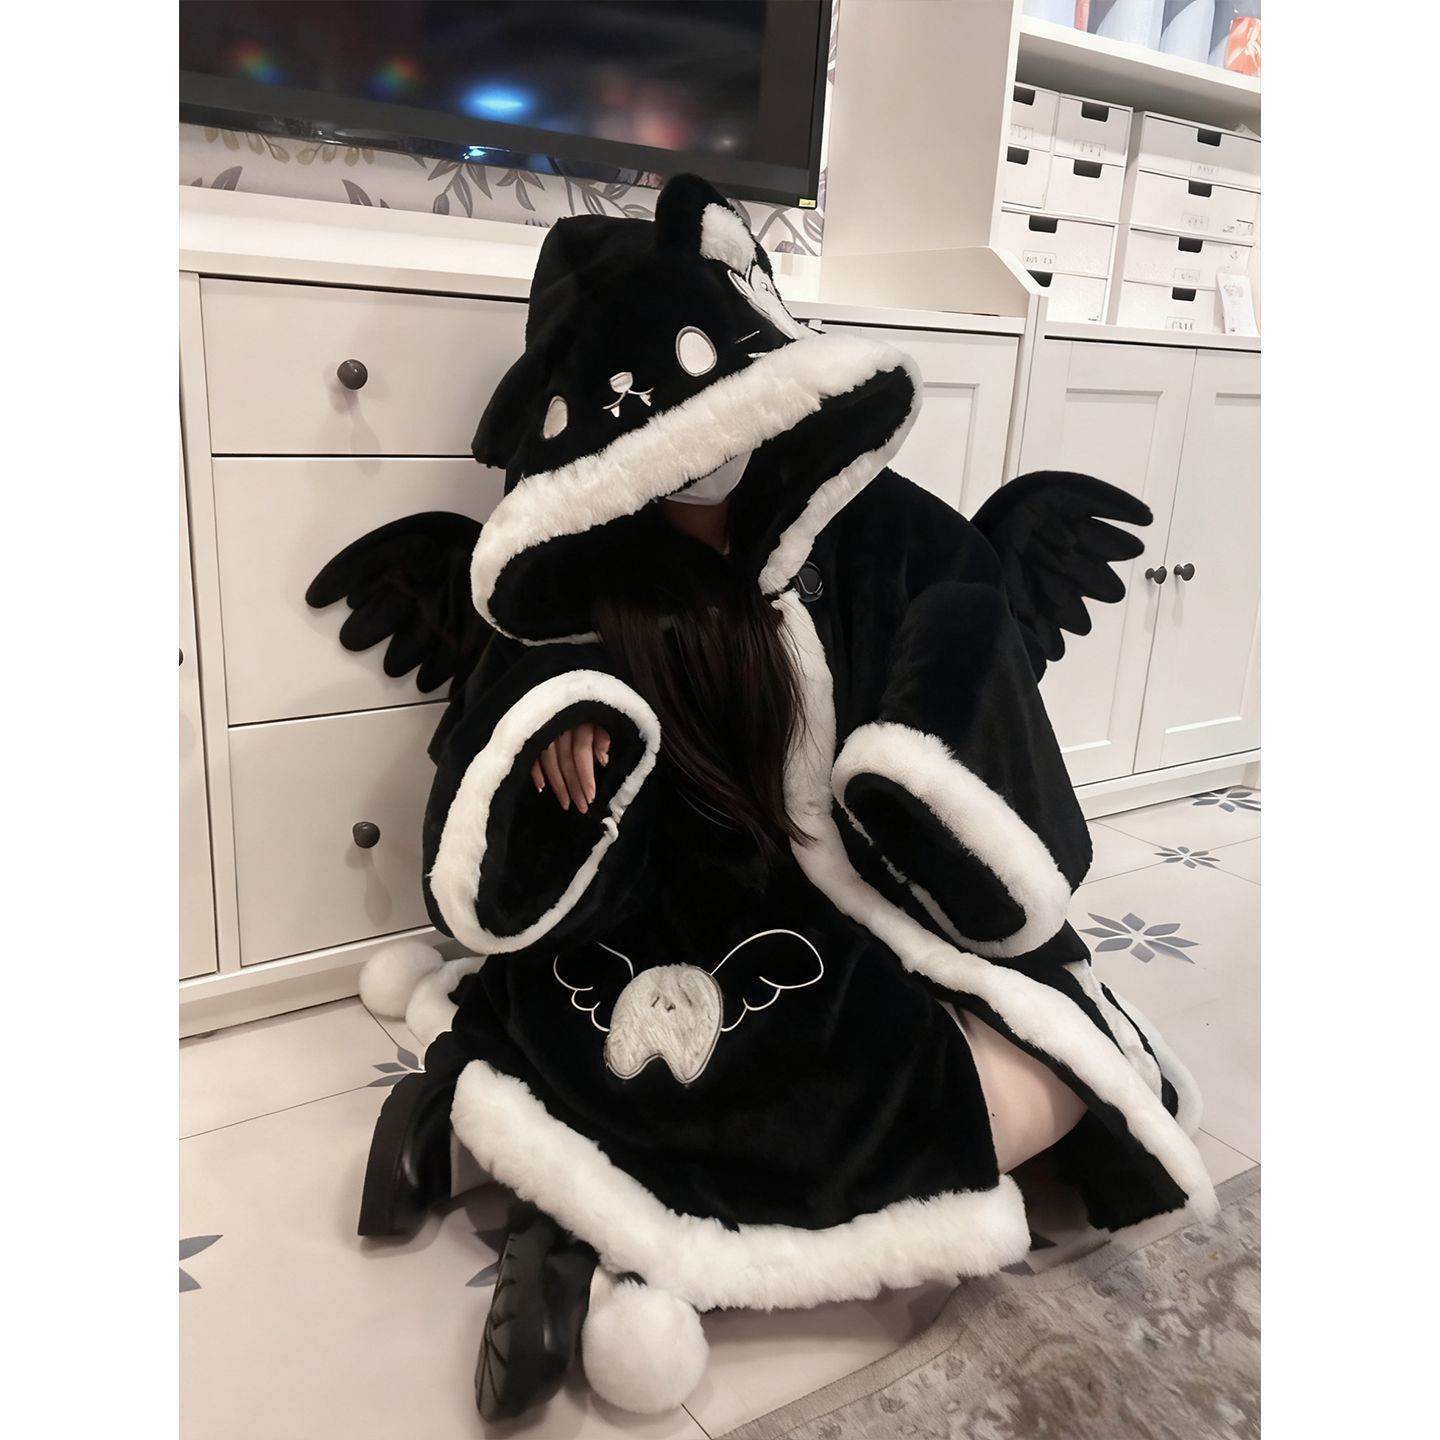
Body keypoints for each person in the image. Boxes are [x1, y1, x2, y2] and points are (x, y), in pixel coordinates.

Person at [309, 173, 1213, 1423]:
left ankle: (521, 1171)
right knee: (826, 1090)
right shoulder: (586, 578)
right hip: (669, 920)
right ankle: (581, 1212)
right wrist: (562, 721)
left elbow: (967, 639)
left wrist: (927, 778)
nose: (707, 462)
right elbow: (489, 763)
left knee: (1061, 1071)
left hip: (846, 896)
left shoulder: (864, 527)